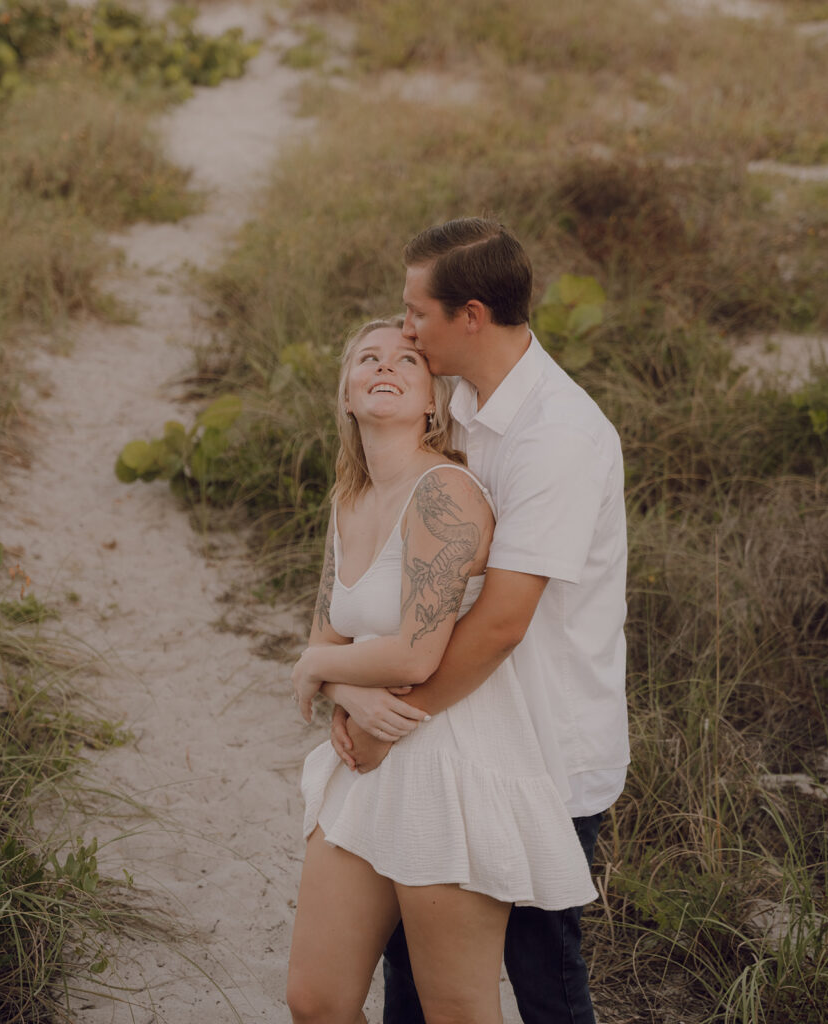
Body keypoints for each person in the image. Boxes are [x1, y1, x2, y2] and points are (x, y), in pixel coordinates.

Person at [329, 218, 630, 1024]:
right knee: (413, 966)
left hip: (543, 745)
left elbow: (500, 622)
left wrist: (394, 718)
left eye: (415, 314)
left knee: (542, 975)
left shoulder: (558, 438)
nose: (402, 330)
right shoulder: (455, 403)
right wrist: (357, 691)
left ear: (469, 316)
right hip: (449, 737)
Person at [286, 315, 598, 1024]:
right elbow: (328, 633)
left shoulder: (444, 494)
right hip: (367, 760)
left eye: (406, 357)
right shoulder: (350, 500)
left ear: (433, 400)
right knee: (316, 1000)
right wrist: (343, 688)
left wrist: (316, 668)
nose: (385, 365)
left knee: (456, 1008)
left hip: (449, 760)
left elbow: (417, 653)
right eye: (367, 357)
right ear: (346, 393)